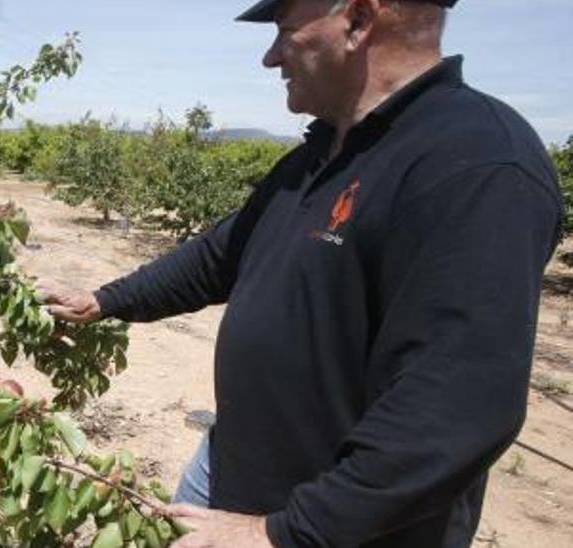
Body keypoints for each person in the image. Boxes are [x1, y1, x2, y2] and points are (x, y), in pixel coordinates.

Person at [40, 0, 566, 546]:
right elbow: (222, 253)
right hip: (228, 470)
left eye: (285, 32)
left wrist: (285, 533)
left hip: (330, 526)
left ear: (359, 21)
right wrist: (104, 299)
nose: (271, 58)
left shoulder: (479, 166)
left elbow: (456, 406)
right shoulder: (322, 153)